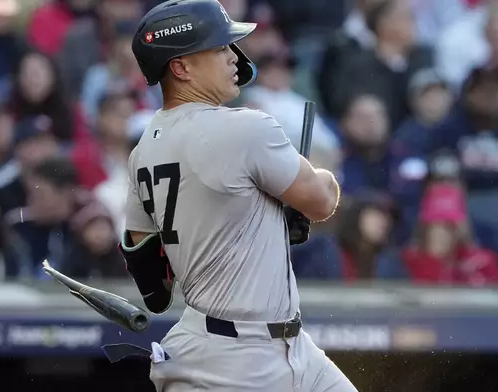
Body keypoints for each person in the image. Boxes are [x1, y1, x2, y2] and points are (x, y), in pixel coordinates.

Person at [116, 1, 354, 391]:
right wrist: (310, 182)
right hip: (233, 362)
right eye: (219, 48)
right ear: (181, 67)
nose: (233, 57)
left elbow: (150, 276)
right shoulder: (245, 127)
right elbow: (323, 201)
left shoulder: (142, 149)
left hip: (281, 348)